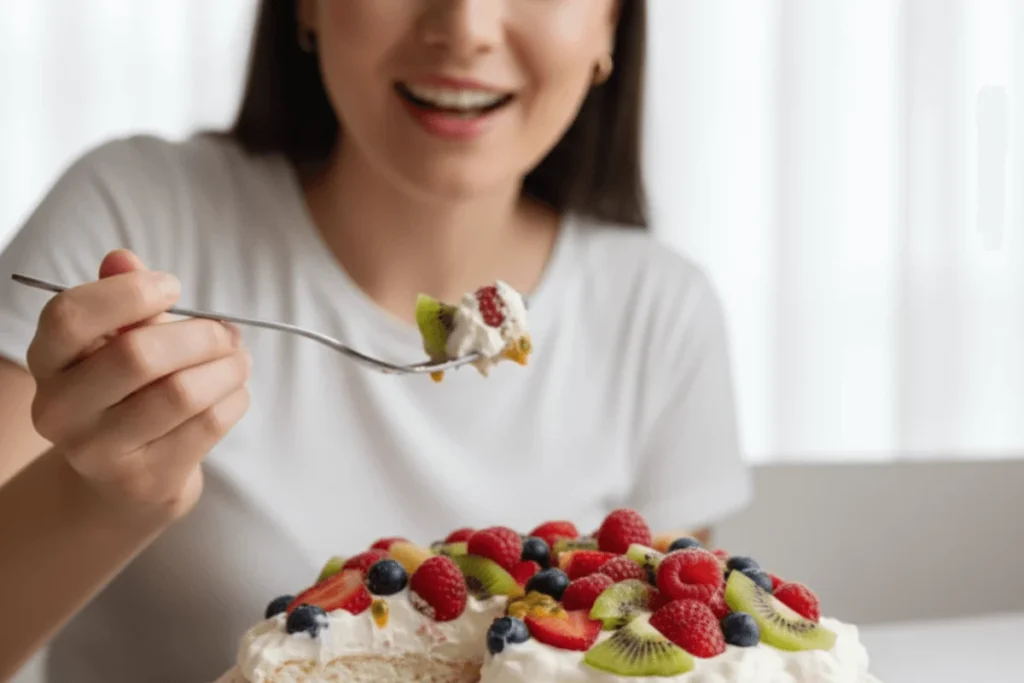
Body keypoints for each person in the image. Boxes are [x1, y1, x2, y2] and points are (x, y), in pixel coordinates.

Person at [0, 1, 751, 681]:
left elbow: (665, 649)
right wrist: (102, 499)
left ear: (611, 25)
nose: (465, 26)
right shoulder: (133, 217)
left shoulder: (661, 309)